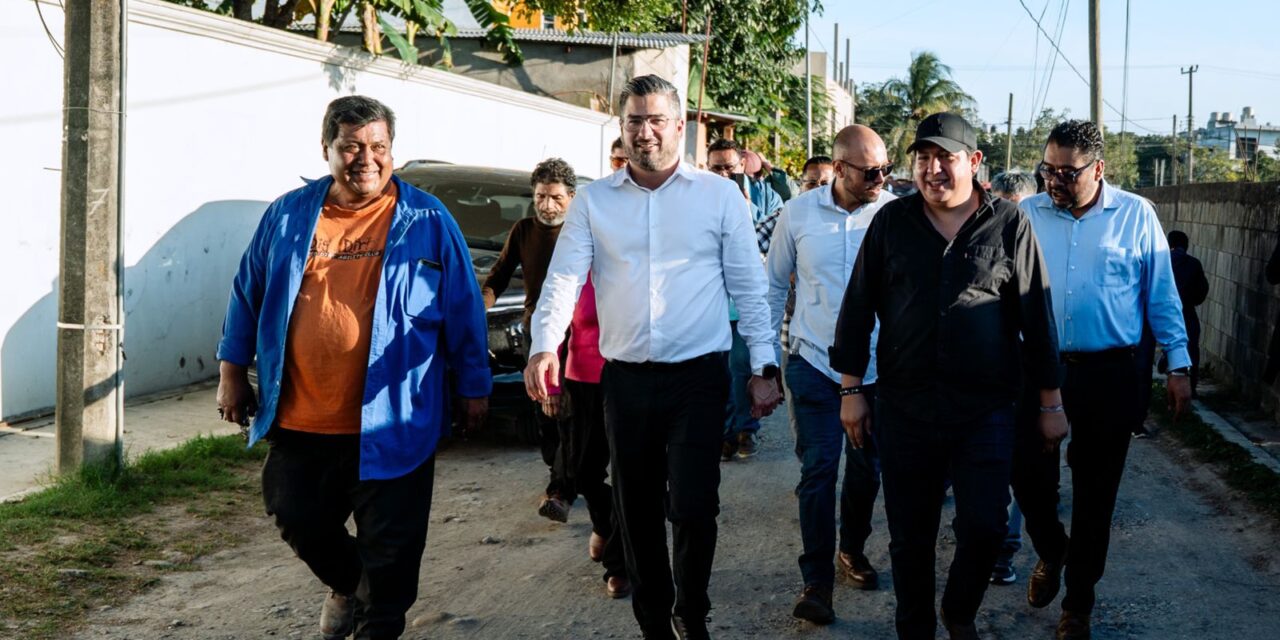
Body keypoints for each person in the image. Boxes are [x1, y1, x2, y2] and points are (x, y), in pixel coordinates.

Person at [215, 95, 490, 640]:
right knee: (294, 513)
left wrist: (473, 387)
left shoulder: (428, 220)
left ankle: (375, 610)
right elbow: (247, 293)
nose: (366, 159)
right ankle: (350, 584)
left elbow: (463, 310)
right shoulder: (288, 214)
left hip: (396, 420)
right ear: (326, 149)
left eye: (378, 146)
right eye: (351, 147)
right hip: (301, 417)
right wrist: (231, 373)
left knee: (392, 555)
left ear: (392, 151)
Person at [524, 74, 783, 640]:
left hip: (699, 378)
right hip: (626, 381)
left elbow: (749, 286)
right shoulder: (594, 201)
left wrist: (765, 366)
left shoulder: (719, 197)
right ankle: (653, 622)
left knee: (693, 505)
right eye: (634, 121)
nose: (645, 132)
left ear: (680, 126)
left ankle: (691, 610)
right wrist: (545, 345)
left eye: (656, 120)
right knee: (636, 508)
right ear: (622, 128)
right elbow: (563, 280)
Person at [830, 112, 1066, 640]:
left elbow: (1036, 316)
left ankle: (959, 613)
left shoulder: (1009, 223)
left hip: (986, 408)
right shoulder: (892, 222)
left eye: (945, 157)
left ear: (974, 162)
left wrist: (1050, 403)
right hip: (905, 406)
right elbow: (858, 305)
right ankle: (914, 629)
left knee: (985, 525)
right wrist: (851, 389)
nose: (932, 169)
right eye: (923, 158)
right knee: (910, 536)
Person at [1015, 119, 1192, 640]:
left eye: (1067, 173)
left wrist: (1178, 363)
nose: (1054, 181)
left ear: (1099, 169)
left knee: (1096, 494)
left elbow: (1161, 295)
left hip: (1109, 374)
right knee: (1027, 477)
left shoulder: (1136, 216)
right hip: (1037, 371)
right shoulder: (1025, 215)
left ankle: (1078, 604)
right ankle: (1052, 549)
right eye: (1048, 169)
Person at [765, 125, 896, 625]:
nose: (881, 179)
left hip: (876, 368)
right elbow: (773, 286)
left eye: (886, 169)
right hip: (814, 362)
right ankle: (816, 581)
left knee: (867, 467)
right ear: (839, 169)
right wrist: (766, 361)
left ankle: (852, 548)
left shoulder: (894, 215)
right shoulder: (797, 214)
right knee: (818, 469)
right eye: (871, 172)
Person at [481, 158, 578, 522]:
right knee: (544, 412)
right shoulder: (523, 230)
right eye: (540, 197)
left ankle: (561, 489)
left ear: (571, 197)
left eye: (555, 197)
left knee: (568, 411)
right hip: (535, 334)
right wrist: (479, 305)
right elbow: (498, 276)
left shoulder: (580, 232)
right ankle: (559, 474)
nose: (547, 205)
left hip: (576, 337)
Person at [544, 275, 632, 598]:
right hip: (581, 380)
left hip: (627, 379)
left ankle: (620, 565)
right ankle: (604, 526)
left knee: (627, 476)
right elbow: (553, 321)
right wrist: (551, 384)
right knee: (582, 472)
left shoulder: (630, 260)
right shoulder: (575, 263)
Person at [986, 169, 1039, 586]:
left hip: (1026, 367)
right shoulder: (977, 237)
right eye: (999, 204)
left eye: (1014, 207)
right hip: (985, 366)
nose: (1006, 214)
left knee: (1018, 462)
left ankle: (1005, 548)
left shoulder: (1037, 244)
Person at [707, 137, 764, 459]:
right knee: (721, 373)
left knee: (742, 367)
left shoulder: (764, 196)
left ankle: (746, 428)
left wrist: (745, 209)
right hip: (713, 306)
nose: (723, 175)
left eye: (729, 168)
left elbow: (765, 244)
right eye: (716, 169)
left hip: (744, 306)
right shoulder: (700, 199)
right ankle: (726, 433)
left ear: (742, 165)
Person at [1162, 230, 1209, 395]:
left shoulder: (1162, 261)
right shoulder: (1194, 263)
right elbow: (1202, 291)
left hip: (1163, 311)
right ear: (1186, 245)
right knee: (1192, 348)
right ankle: (1191, 386)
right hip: (1186, 311)